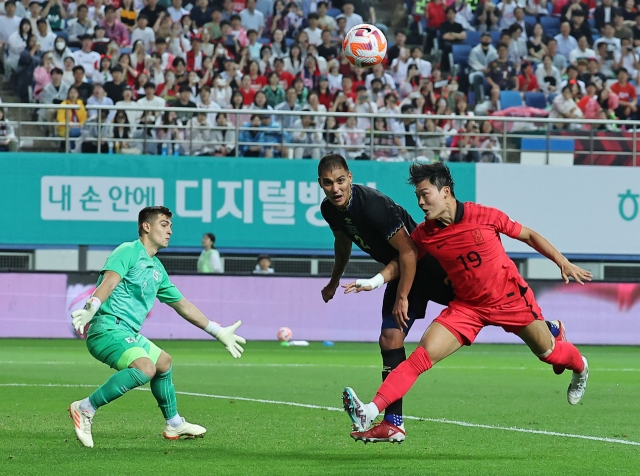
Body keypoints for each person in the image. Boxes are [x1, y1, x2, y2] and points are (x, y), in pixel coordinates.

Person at [341, 162, 591, 442]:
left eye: (426, 194)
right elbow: (404, 259)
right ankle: (370, 410)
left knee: (551, 355)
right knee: (420, 358)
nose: (421, 203)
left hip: (511, 302)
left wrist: (563, 262)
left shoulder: (483, 215)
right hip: (468, 308)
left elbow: (529, 235)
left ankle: (580, 366)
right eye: (418, 197)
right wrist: (375, 281)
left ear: (445, 191)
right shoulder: (425, 233)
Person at [68, 206, 246, 448]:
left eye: (171, 226)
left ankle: (173, 423)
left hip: (126, 333)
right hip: (106, 329)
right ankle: (85, 408)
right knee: (145, 368)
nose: (170, 230)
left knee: (163, 363)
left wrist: (218, 331)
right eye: (164, 224)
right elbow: (110, 281)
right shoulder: (128, 250)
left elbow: (183, 305)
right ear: (146, 226)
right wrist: (93, 305)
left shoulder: (157, 269)